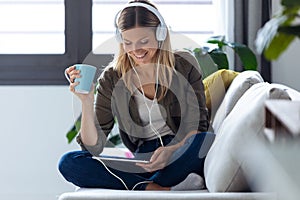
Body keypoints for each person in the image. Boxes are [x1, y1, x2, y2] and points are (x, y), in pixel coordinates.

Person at [59, 0, 212, 191]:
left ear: (161, 34)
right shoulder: (112, 77)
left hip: (179, 150)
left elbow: (196, 128)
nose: (136, 50)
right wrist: (87, 100)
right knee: (69, 162)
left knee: (203, 140)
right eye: (128, 42)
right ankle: (155, 187)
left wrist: (172, 150)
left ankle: (149, 184)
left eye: (144, 42)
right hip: (143, 161)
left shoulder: (183, 64)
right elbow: (93, 147)